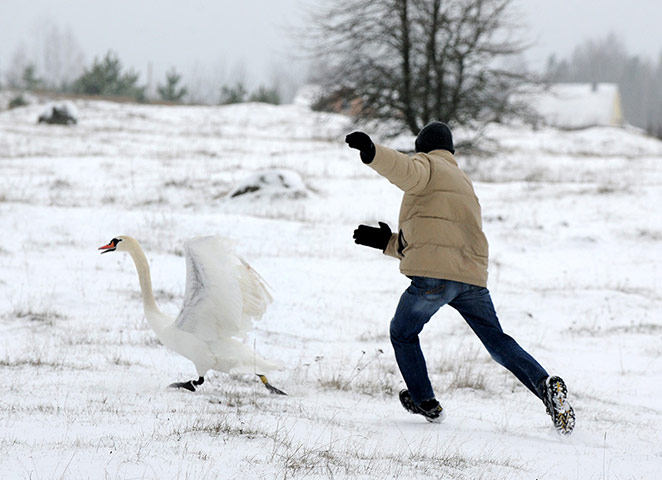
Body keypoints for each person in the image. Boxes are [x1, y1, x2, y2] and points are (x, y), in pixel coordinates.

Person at [345, 122, 575, 434]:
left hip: (433, 279)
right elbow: (443, 240)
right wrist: (387, 242)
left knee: (402, 333)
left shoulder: (427, 165)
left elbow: (404, 170)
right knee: (497, 342)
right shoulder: (463, 182)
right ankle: (546, 388)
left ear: (422, 148)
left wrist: (373, 153)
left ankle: (425, 401)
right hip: (470, 279)